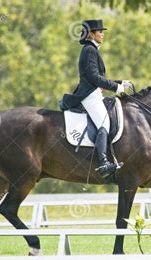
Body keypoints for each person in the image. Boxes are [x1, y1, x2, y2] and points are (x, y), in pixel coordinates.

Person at [59, 19, 132, 178]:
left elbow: (98, 77)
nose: (103, 34)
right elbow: (93, 77)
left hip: (94, 93)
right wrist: (115, 88)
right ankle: (104, 163)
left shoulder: (91, 49)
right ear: (91, 34)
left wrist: (119, 82)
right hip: (89, 95)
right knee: (103, 123)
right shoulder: (89, 50)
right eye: (100, 32)